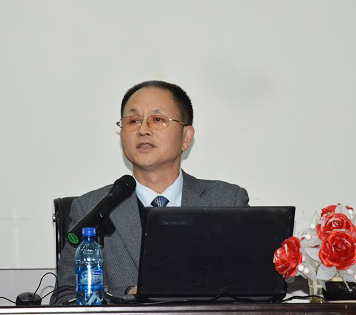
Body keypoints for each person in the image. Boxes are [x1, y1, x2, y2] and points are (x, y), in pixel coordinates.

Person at [51, 81, 249, 304]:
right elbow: (65, 297)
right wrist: (128, 296)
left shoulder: (227, 200)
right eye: (133, 121)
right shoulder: (91, 208)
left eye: (157, 119)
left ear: (186, 137)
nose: (143, 130)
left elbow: (251, 288)